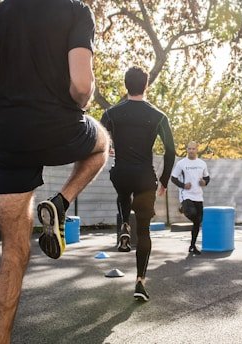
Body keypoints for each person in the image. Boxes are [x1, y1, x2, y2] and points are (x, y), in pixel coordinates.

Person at [0, 0, 108, 342]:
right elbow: (81, 86)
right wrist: (78, 104)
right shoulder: (74, 11)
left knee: (13, 254)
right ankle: (62, 202)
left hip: (9, 140)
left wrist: (7, 97)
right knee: (103, 144)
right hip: (59, 127)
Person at [101, 66, 176, 301]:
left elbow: (98, 140)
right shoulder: (158, 116)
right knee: (143, 231)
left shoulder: (112, 113)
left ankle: (124, 224)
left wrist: (110, 148)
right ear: (147, 85)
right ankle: (140, 282)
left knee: (123, 191)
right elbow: (171, 151)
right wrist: (164, 181)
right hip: (145, 178)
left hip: (121, 173)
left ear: (125, 85)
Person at [170, 141, 210, 255]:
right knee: (192, 214)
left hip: (198, 195)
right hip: (186, 195)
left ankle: (192, 246)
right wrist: (183, 185)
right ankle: (184, 207)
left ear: (197, 149)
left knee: (198, 221)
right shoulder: (181, 164)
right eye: (189, 149)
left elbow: (207, 178)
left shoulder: (202, 163)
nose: (191, 151)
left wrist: (204, 182)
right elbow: (173, 178)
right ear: (187, 150)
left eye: (193, 149)